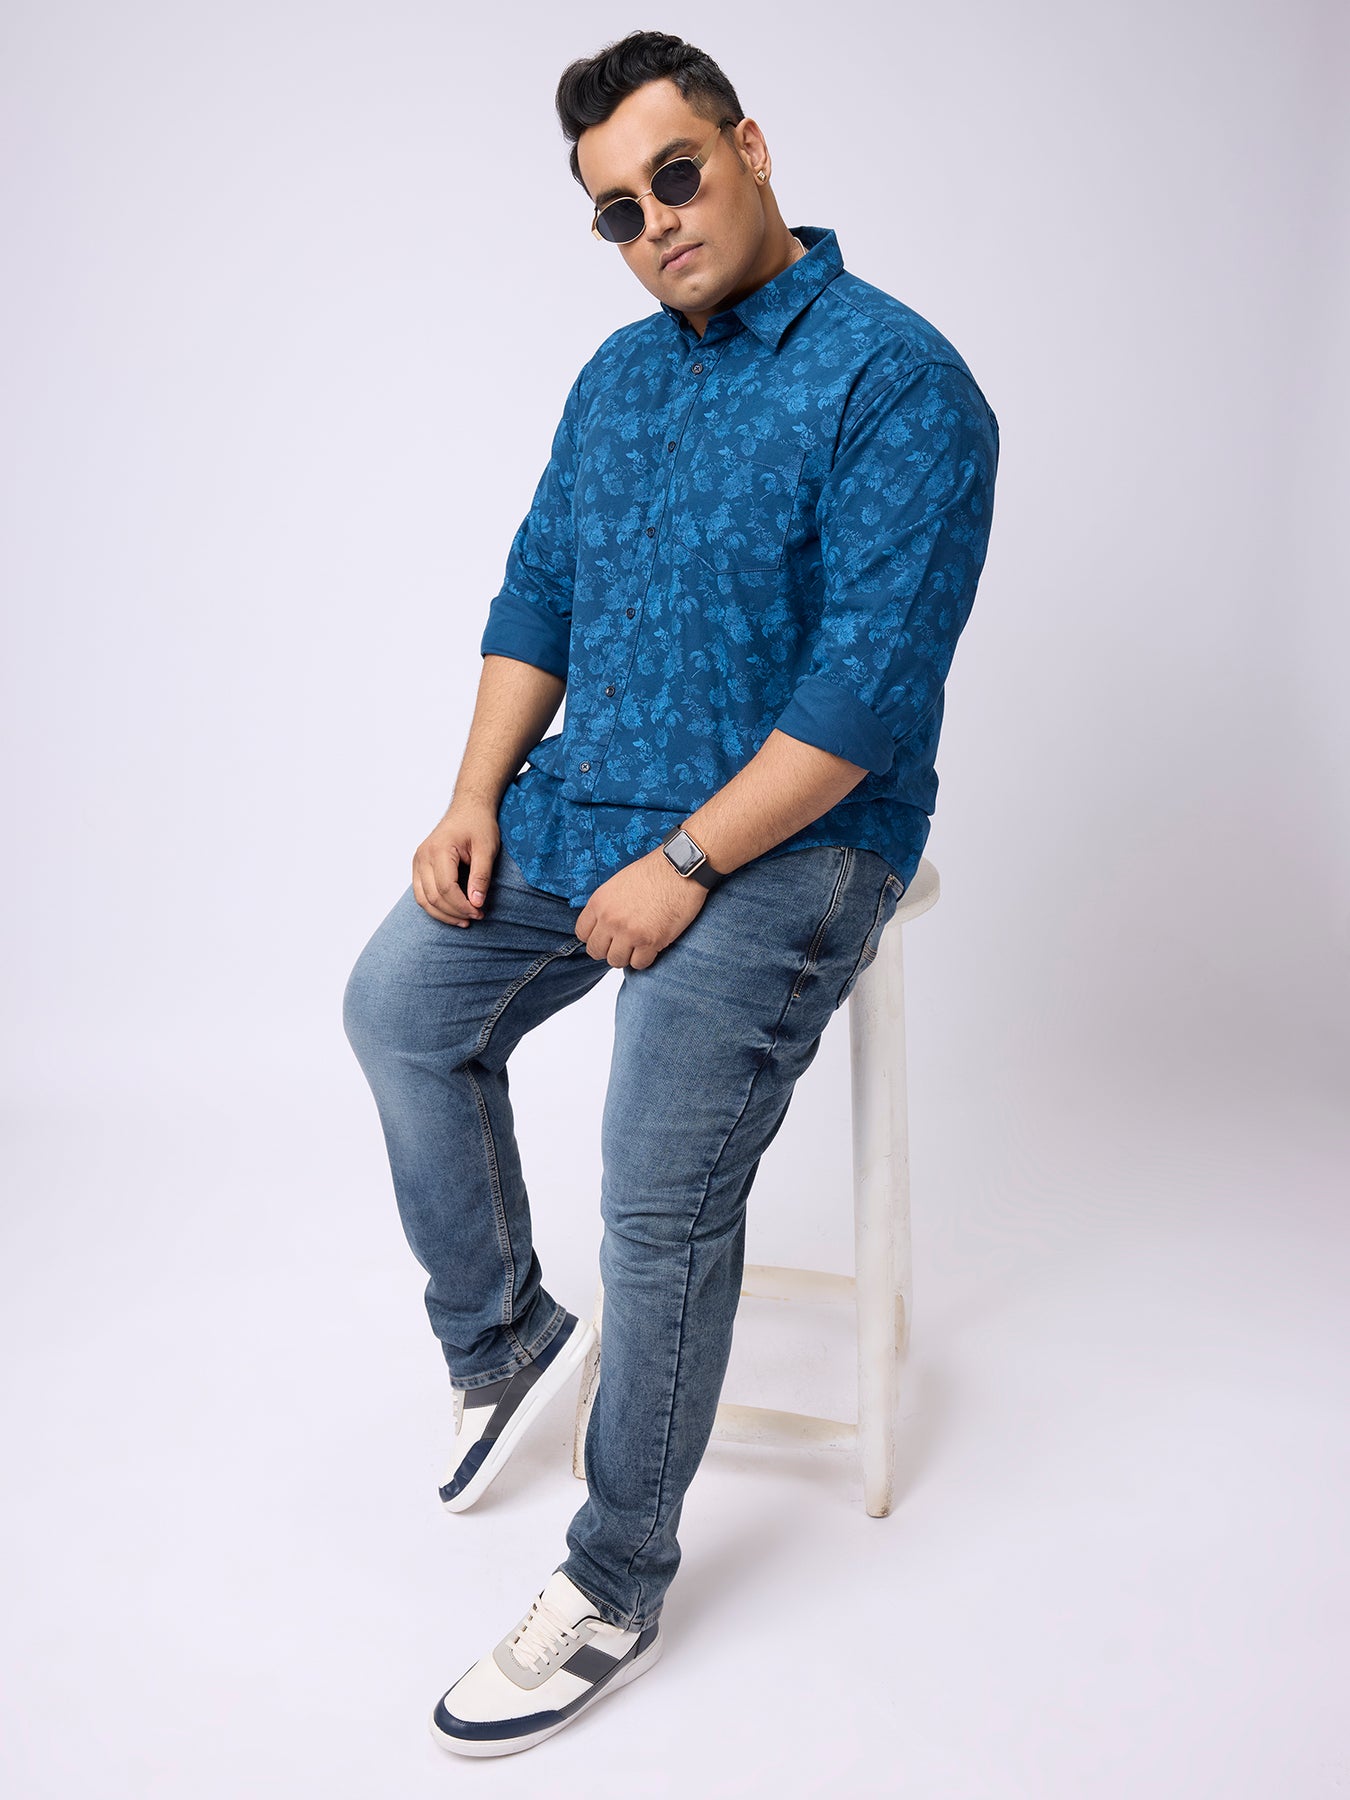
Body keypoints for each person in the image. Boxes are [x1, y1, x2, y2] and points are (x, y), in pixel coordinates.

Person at [342, 28, 999, 1759]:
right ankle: (506, 1343)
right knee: (398, 1004)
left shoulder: (898, 383)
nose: (656, 226)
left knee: (655, 1194)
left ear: (750, 147)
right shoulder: (617, 379)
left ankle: (614, 1577)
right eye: (617, 211)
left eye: (677, 177)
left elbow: (857, 708)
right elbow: (537, 598)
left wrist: (689, 864)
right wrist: (473, 798)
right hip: (589, 801)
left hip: (796, 838)